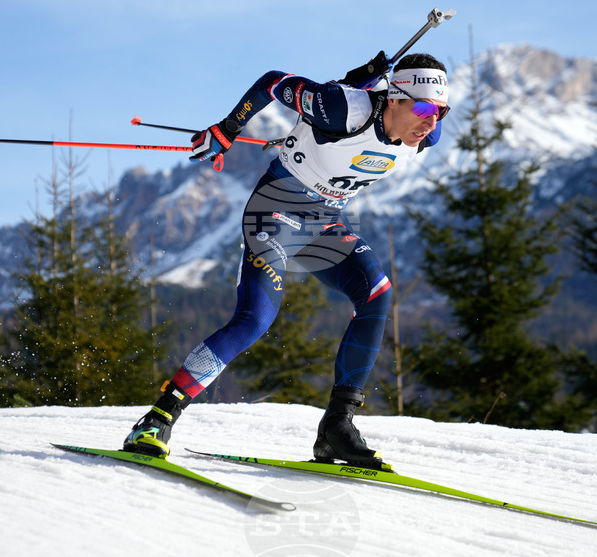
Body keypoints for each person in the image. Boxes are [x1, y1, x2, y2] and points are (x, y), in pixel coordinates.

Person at [122, 53, 449, 466]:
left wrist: (359, 84)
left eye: (441, 112)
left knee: (377, 293)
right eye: (423, 109)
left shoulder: (424, 135)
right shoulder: (342, 109)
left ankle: (336, 429)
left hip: (322, 222)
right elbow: (272, 81)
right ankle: (156, 420)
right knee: (255, 320)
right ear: (395, 97)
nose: (431, 122)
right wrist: (227, 129)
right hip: (274, 211)